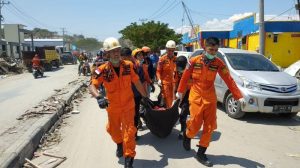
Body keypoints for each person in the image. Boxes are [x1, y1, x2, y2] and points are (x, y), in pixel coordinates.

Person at [176, 37, 246, 167]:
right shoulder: (193, 61)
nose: (213, 52)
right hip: (196, 96)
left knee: (209, 126)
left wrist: (238, 96)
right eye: (211, 49)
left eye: (215, 50)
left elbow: (228, 79)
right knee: (195, 123)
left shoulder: (218, 63)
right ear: (204, 47)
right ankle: (187, 135)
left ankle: (201, 153)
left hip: (210, 97)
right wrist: (180, 91)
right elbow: (185, 76)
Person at [89, 37, 148, 168]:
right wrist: (99, 97)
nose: (116, 53)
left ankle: (129, 159)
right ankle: (119, 143)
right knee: (113, 130)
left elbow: (137, 81)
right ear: (107, 54)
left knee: (130, 132)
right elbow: (92, 86)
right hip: (112, 107)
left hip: (128, 106)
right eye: (112, 51)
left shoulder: (129, 66)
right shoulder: (101, 69)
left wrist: (145, 97)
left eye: (117, 50)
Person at [174, 55, 191, 139]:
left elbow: (187, 87)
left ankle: (183, 132)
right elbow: (176, 81)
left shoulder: (190, 71)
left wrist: (179, 99)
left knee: (183, 114)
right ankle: (185, 129)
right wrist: (175, 93)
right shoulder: (177, 70)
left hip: (190, 93)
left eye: (181, 67)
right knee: (185, 113)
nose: (179, 70)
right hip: (181, 91)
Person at [156, 40, 177, 108]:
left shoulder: (176, 59)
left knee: (174, 100)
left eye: (172, 50)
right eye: (169, 50)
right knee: (167, 100)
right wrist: (159, 79)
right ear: (166, 49)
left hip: (174, 83)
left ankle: (172, 113)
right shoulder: (162, 59)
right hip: (165, 83)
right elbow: (158, 71)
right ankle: (169, 114)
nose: (170, 52)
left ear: (174, 50)